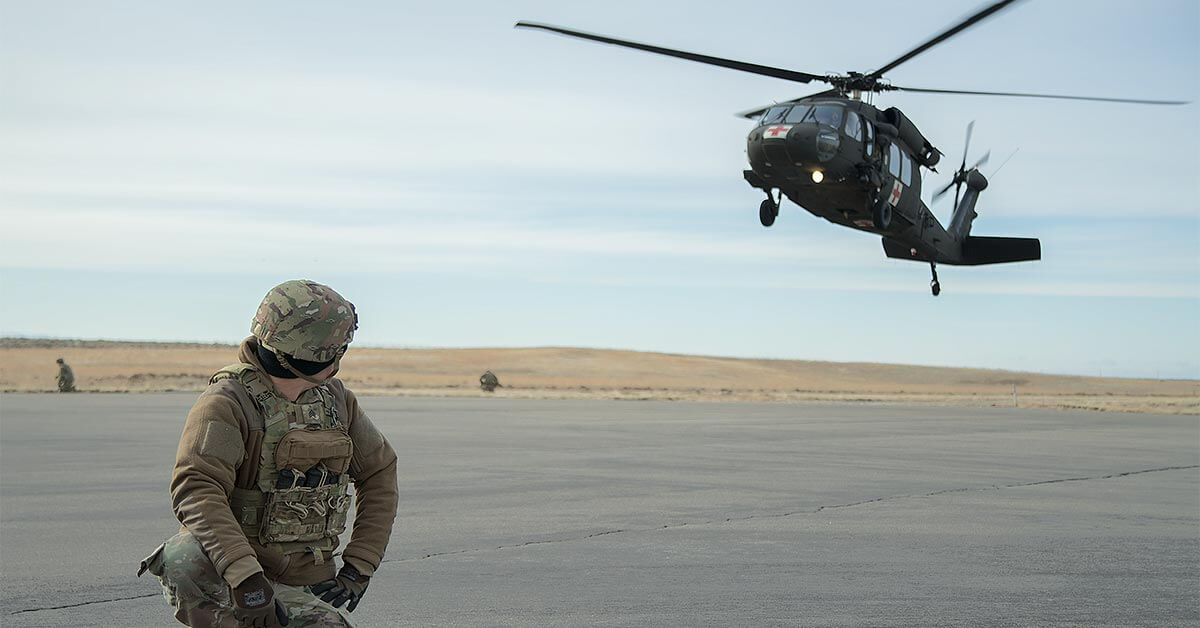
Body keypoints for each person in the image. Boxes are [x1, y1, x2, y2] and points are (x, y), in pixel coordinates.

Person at [139, 280, 399, 627]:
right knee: (183, 555)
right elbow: (197, 489)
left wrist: (360, 564)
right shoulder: (229, 402)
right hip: (237, 574)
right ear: (321, 353)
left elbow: (379, 472)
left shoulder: (337, 403)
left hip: (309, 577)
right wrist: (246, 579)